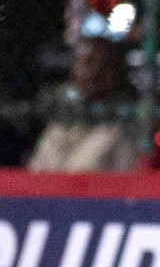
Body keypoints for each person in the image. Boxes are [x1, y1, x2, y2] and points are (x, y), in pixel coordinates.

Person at [28, 38, 140, 173]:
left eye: (89, 63)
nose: (79, 72)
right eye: (77, 63)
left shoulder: (120, 128)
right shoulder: (63, 120)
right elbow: (36, 171)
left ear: (110, 73)